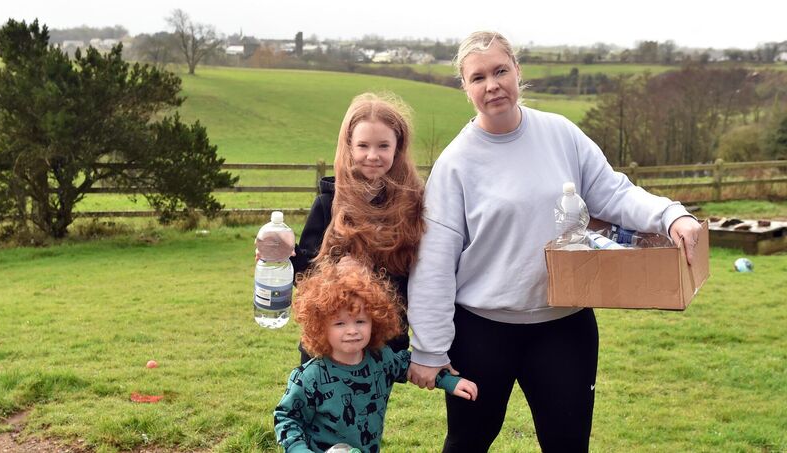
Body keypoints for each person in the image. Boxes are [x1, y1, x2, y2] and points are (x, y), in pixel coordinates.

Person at [405, 31, 703, 453]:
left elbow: (613, 193)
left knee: (568, 445)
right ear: (465, 87)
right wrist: (430, 349)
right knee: (468, 441)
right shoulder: (456, 163)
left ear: (517, 71)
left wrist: (670, 214)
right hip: (481, 332)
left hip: (564, 327)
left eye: (500, 71)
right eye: (478, 77)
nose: (492, 85)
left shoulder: (560, 133)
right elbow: (434, 263)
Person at [274, 258, 478, 453]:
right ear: (320, 327)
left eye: (360, 321)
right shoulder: (310, 377)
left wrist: (449, 381)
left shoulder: (382, 360)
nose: (352, 330)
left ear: (376, 320)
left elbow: (412, 365)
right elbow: (287, 418)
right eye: (340, 323)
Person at [289, 92, 426, 364]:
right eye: (363, 145)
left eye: (383, 146)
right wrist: (285, 256)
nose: (372, 156)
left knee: (370, 408)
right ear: (349, 147)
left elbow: (420, 280)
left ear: (397, 148)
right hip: (328, 344)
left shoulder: (414, 206)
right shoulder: (328, 203)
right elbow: (304, 274)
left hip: (383, 347)